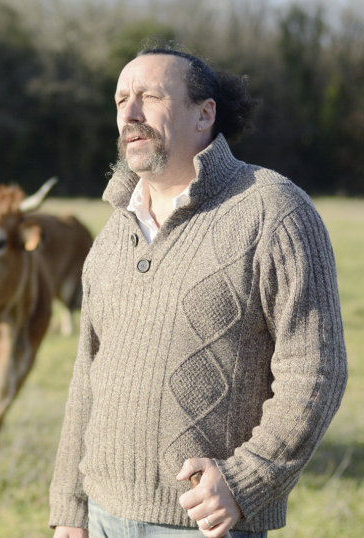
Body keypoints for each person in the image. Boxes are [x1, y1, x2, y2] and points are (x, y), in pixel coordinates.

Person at [48, 44, 347, 538]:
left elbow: (316, 368)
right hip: (101, 517)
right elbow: (87, 377)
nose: (131, 113)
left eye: (149, 96)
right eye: (121, 99)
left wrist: (247, 479)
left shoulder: (274, 210)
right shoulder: (113, 232)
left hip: (206, 524)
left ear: (205, 113)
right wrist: (70, 510)